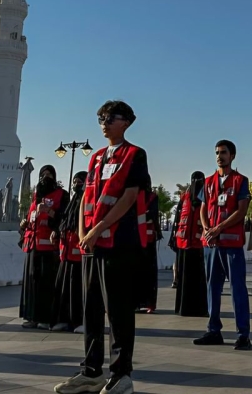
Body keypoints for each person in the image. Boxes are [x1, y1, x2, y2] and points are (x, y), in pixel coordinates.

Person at [54, 100, 150, 394]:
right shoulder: (96, 158)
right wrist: (85, 232)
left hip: (118, 243)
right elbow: (85, 197)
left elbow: (130, 197)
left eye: (111, 118)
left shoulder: (134, 154)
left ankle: (121, 375)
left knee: (118, 310)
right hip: (92, 245)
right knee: (91, 308)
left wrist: (97, 230)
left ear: (127, 122)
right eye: (101, 119)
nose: (105, 123)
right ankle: (91, 371)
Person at [193, 140, 252, 350]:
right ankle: (213, 330)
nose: (220, 156)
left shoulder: (240, 181)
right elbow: (203, 208)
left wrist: (219, 228)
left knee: (237, 289)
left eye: (224, 152)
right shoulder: (208, 182)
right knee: (212, 288)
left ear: (232, 156)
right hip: (211, 245)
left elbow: (242, 210)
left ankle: (243, 334)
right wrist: (208, 229)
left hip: (232, 244)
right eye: (217, 152)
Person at [20, 164, 69, 329]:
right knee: (32, 281)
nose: (45, 177)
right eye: (43, 174)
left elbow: (65, 219)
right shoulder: (36, 196)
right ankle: (32, 316)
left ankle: (46, 317)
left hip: (49, 248)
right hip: (32, 245)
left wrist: (49, 212)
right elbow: (31, 215)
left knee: (46, 283)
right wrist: (25, 221)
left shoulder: (61, 195)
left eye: (49, 174)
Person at [53, 171, 88, 333]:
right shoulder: (73, 201)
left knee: (78, 289)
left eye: (80, 181)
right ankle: (64, 319)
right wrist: (57, 231)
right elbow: (64, 220)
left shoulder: (87, 199)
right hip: (66, 253)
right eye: (74, 181)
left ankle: (80, 320)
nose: (76, 184)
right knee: (64, 288)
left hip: (80, 254)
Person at [173, 171, 209, 317]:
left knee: (199, 280)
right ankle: (183, 308)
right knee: (183, 279)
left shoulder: (206, 198)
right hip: (183, 245)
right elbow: (177, 220)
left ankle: (199, 308)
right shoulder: (184, 198)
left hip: (199, 246)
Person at [135, 188, 163, 313]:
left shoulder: (152, 197)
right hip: (134, 240)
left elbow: (151, 215)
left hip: (148, 240)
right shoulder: (132, 194)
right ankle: (135, 303)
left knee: (149, 273)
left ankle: (149, 304)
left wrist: (138, 217)